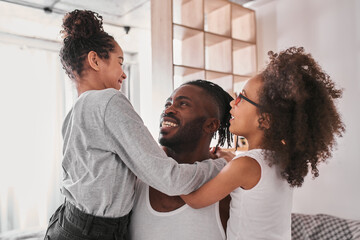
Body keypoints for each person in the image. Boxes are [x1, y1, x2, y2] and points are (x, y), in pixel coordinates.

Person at [43, 10, 226, 240]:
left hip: (67, 223)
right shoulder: (109, 100)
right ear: (95, 60)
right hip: (94, 232)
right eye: (120, 62)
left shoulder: (74, 113)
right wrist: (219, 164)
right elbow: (171, 181)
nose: (124, 74)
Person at [181, 47, 345, 239]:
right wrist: (231, 158)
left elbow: (195, 200)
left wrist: (174, 160)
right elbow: (256, 176)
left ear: (265, 120)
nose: (233, 103)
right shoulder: (281, 159)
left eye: (242, 97)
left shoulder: (244, 166)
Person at [128, 80, 234, 240]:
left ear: (211, 125)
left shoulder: (230, 193)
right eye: (167, 104)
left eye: (183, 104)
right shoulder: (135, 176)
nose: (168, 110)